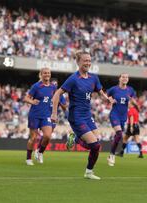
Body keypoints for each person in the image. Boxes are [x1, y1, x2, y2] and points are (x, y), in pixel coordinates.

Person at [51, 51, 114, 180]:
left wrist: (107, 98)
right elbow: (57, 94)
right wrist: (54, 113)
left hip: (87, 115)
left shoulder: (93, 77)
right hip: (76, 116)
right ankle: (88, 171)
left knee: (97, 145)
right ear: (78, 62)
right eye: (85, 60)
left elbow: (99, 90)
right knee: (95, 145)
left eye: (89, 60)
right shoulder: (73, 79)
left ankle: (88, 170)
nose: (88, 63)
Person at [24, 67, 63, 165]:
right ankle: (28, 158)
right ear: (41, 75)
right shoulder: (36, 86)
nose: (47, 75)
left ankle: (39, 152)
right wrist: (32, 101)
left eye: (48, 73)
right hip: (35, 114)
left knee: (48, 136)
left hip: (46, 115)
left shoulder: (53, 87)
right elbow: (26, 98)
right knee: (33, 138)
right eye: (45, 73)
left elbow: (56, 99)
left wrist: (54, 112)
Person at [106, 73, 138, 166]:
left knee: (119, 136)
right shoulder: (114, 89)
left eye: (127, 77)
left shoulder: (130, 90)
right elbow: (106, 95)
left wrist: (132, 100)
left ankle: (111, 153)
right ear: (119, 79)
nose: (125, 78)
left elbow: (134, 101)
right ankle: (112, 155)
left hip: (124, 116)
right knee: (119, 133)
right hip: (114, 114)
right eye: (123, 77)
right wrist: (110, 99)